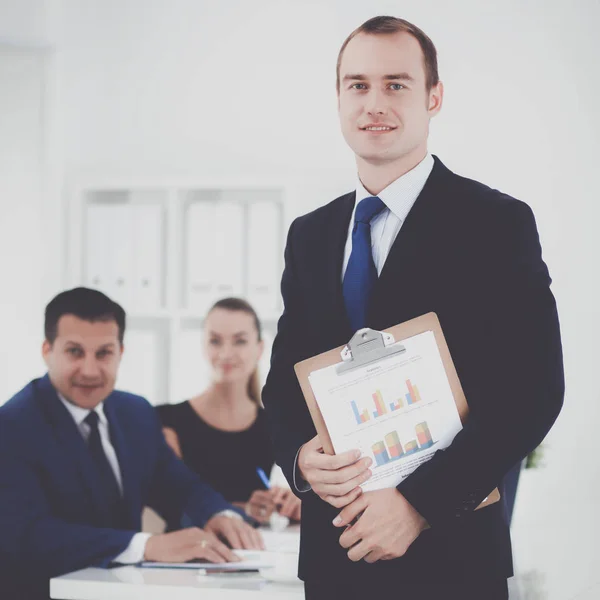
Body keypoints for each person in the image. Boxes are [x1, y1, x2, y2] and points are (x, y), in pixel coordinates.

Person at [262, 15, 564, 600]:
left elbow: (534, 391)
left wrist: (419, 505)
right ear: (339, 98)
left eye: (396, 84)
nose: (375, 102)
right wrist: (300, 458)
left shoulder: (496, 224)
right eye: (358, 85)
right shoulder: (311, 234)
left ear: (434, 97)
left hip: (450, 557)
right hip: (335, 556)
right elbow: (282, 383)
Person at [0, 288, 263, 600]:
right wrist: (146, 545)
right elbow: (28, 536)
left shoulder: (135, 413)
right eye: (74, 352)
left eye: (103, 353)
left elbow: (180, 486)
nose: (89, 370)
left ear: (120, 352)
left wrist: (220, 516)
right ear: (47, 350)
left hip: (124, 591)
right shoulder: (13, 425)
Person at [157, 297, 301, 525]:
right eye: (215, 341)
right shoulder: (167, 420)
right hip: (187, 554)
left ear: (260, 348)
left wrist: (291, 502)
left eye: (240, 341)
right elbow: (174, 505)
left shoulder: (273, 425)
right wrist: (245, 509)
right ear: (203, 346)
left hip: (253, 552)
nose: (226, 353)